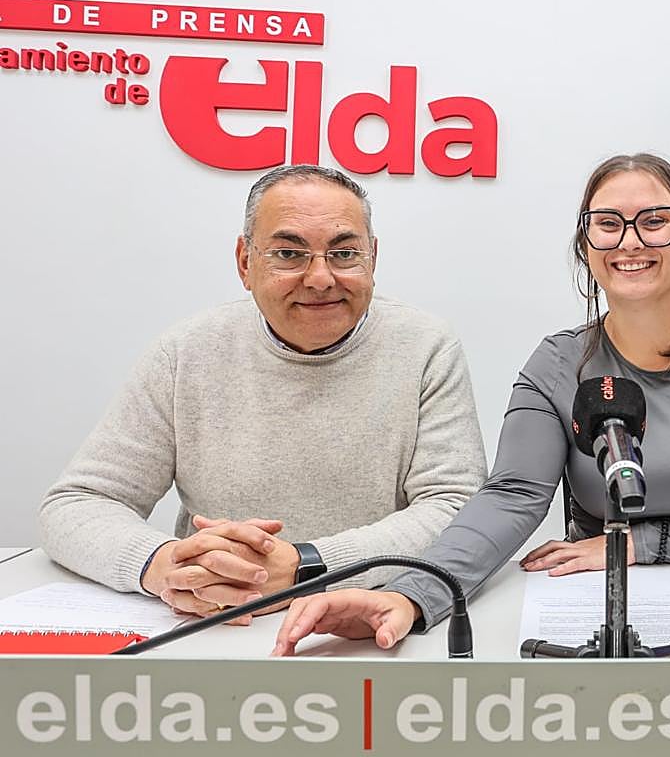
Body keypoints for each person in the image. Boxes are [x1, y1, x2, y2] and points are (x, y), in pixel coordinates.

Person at [271, 153, 670, 655]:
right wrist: (413, 595)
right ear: (586, 247)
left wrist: (639, 544)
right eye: (608, 225)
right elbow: (510, 498)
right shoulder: (557, 364)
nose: (631, 242)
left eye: (654, 221)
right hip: (603, 609)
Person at [39, 165, 487, 619]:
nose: (319, 278)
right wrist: (164, 566)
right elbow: (78, 503)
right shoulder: (187, 351)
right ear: (245, 262)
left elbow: (459, 507)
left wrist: (307, 566)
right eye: (289, 254)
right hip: (210, 620)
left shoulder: (425, 346)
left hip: (366, 623)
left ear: (373, 258)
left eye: (344, 253)